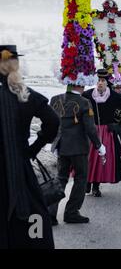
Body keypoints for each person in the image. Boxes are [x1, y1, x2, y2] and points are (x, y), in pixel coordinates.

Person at [0, 45, 59, 249]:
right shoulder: (26, 94)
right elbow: (53, 122)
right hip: (20, 167)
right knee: (29, 220)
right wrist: (34, 148)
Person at [49, 84, 105, 225]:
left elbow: (51, 124)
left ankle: (50, 214)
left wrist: (55, 142)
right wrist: (99, 145)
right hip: (78, 148)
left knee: (61, 178)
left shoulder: (55, 99)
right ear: (80, 85)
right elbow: (90, 128)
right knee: (81, 178)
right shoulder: (85, 102)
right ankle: (71, 213)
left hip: (62, 146)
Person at [83, 69, 121, 197]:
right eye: (98, 80)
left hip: (106, 132)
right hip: (90, 131)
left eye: (103, 81)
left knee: (100, 159)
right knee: (88, 158)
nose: (100, 83)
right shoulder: (87, 95)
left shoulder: (114, 96)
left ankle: (96, 186)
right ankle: (87, 182)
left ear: (107, 83)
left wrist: (116, 123)